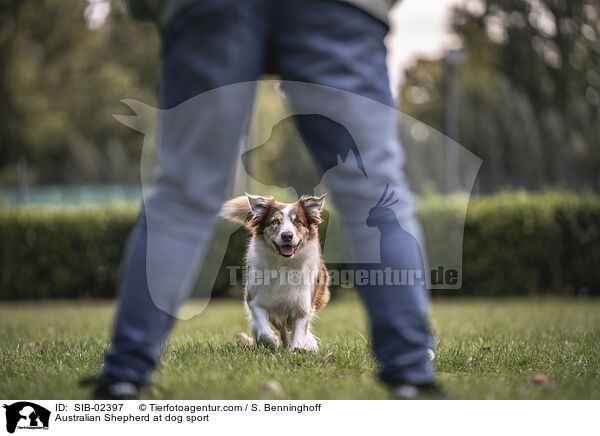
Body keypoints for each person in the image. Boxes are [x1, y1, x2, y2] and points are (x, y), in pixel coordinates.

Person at [90, 0, 438, 399]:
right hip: (341, 11)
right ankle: (412, 375)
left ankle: (123, 377)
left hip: (209, 9)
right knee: (376, 195)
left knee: (182, 197)